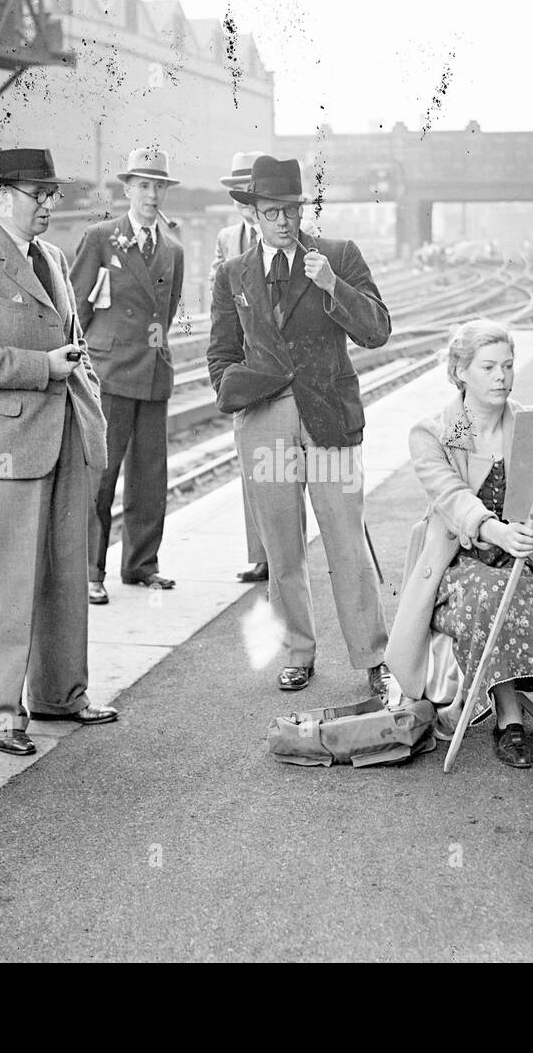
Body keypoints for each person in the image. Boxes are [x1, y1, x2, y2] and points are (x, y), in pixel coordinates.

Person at [384, 319, 533, 811]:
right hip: (457, 568)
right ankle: (509, 716)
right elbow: (451, 498)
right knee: (497, 593)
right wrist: (496, 530)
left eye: (508, 366)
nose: (502, 376)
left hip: (527, 562)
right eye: (489, 367)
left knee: (526, 593)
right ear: (460, 373)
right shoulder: (432, 433)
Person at [0, 148, 117, 756]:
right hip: (10, 443)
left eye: (51, 194)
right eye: (37, 193)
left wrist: (88, 404)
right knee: (6, 581)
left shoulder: (56, 259)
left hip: (64, 433)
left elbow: (75, 342)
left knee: (66, 570)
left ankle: (62, 693)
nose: (47, 205)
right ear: (3, 194)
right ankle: (0, 714)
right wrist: (41, 367)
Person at [208, 155, 399, 700]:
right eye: (272, 212)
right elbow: (220, 354)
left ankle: (373, 657)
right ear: (254, 214)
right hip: (265, 422)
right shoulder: (233, 274)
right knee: (282, 550)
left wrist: (333, 286)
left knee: (347, 545)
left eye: (291, 211)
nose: (284, 222)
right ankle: (297, 654)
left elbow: (378, 330)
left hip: (329, 422)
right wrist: (242, 389)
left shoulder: (337, 256)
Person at [70, 147, 184, 605]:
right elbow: (76, 303)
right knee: (102, 472)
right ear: (128, 190)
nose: (152, 194)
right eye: (143, 186)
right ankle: (90, 570)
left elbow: (169, 311)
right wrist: (76, 361)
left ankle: (141, 564)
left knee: (150, 475)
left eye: (158, 186)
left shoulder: (172, 249)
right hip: (110, 373)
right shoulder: (101, 237)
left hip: (154, 371)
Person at [211, 150, 269, 585]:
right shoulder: (227, 239)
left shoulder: (285, 232)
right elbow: (221, 302)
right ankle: (261, 556)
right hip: (245, 367)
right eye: (239, 193)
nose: (244, 201)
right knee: (251, 463)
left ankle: (284, 553)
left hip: (279, 365)